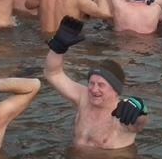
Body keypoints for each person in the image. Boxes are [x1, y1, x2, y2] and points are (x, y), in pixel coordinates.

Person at [44, 17, 148, 149]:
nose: (94, 89)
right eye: (91, 83)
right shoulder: (84, 98)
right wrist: (58, 48)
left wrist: (141, 109)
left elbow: (139, 124)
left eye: (101, 85)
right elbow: (53, 74)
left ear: (115, 89)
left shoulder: (123, 113)